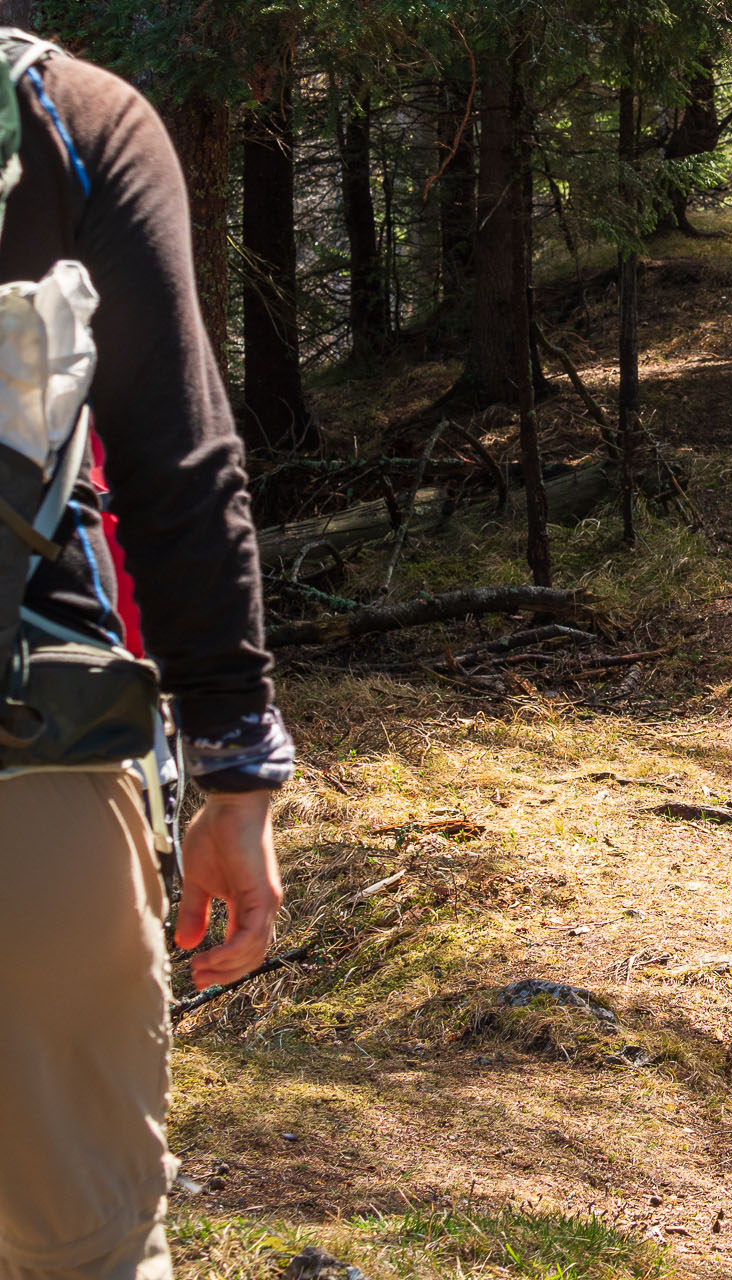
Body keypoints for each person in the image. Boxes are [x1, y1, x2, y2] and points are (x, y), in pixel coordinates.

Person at [0, 31, 293, 1280]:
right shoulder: (71, 118)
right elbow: (181, 465)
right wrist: (235, 771)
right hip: (35, 756)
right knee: (79, 1252)